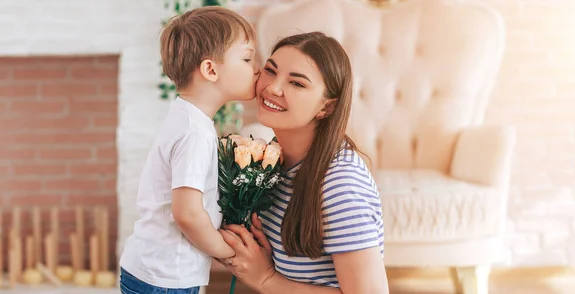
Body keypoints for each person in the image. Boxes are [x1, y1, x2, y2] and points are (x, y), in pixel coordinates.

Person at [219, 32, 389, 294]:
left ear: (327, 107)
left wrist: (265, 279)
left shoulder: (340, 186)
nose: (273, 88)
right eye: (270, 71)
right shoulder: (275, 162)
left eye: (297, 84)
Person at [118, 6, 259, 294]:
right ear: (210, 69)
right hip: (164, 278)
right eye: (246, 58)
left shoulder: (190, 119)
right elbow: (188, 214)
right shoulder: (195, 132)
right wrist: (226, 251)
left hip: (157, 270)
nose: (256, 68)